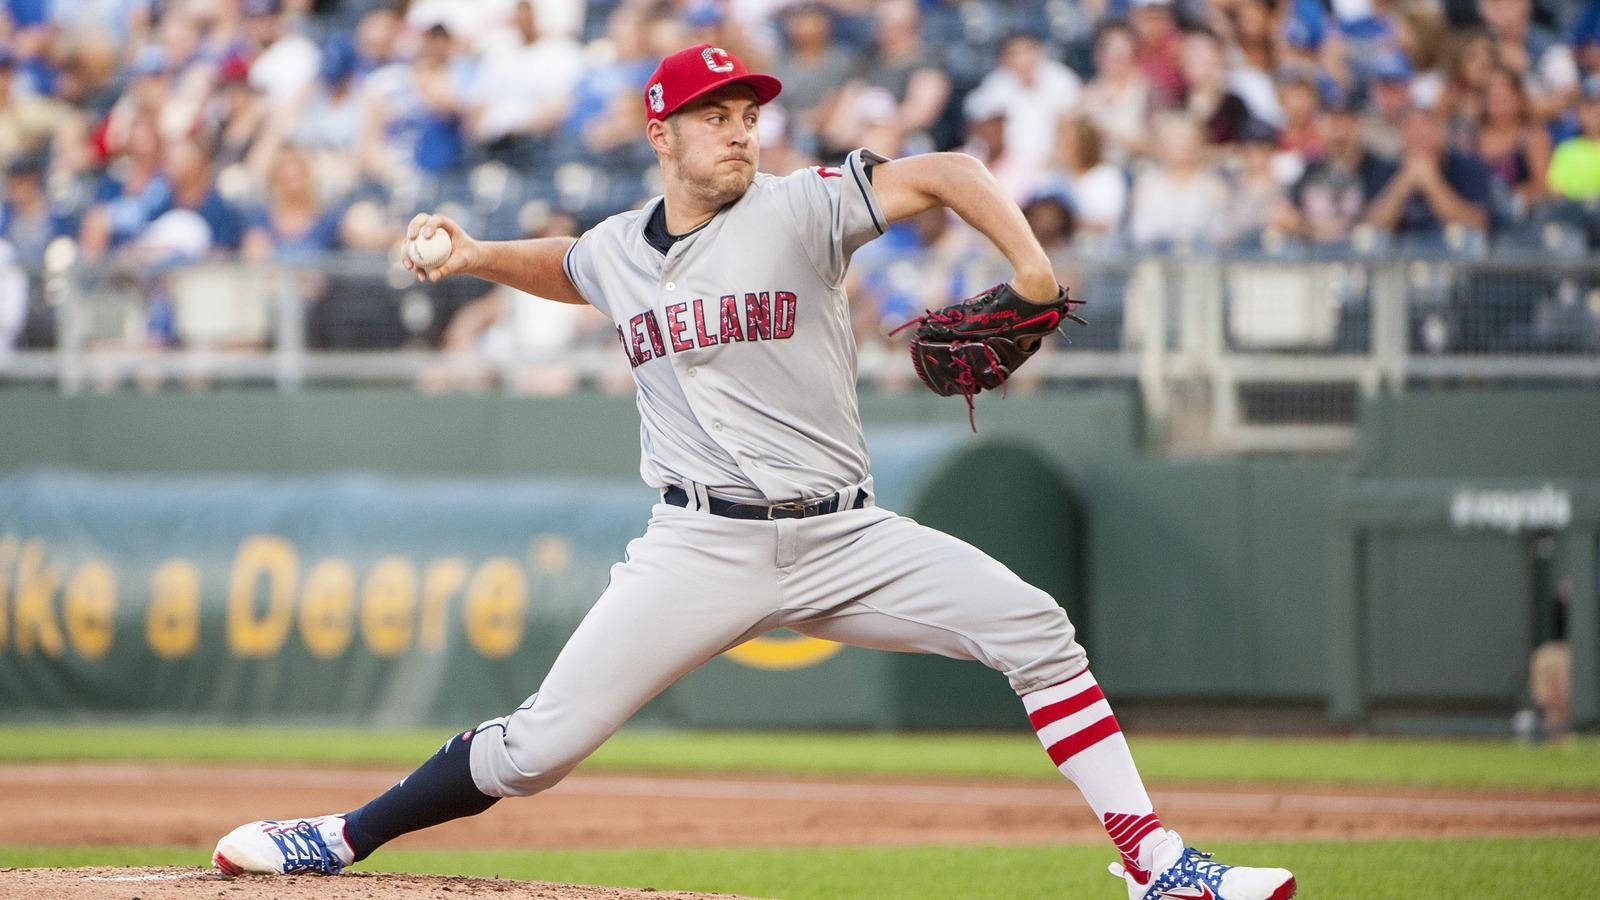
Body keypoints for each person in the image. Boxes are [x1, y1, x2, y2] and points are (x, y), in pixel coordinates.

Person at [210, 44, 1297, 900]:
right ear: (661, 133)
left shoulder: (800, 205)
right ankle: (342, 836)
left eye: (747, 116)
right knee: (537, 751)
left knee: (1035, 629)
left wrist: (1030, 270)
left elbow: (954, 173)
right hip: (700, 545)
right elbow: (576, 265)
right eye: (714, 119)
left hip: (846, 536)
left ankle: (1158, 865)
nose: (738, 134)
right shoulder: (620, 248)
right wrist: (477, 255)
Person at [1364, 103, 1491, 238]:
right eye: (1413, 137)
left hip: (1455, 253)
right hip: (1401, 253)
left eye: (1424, 135)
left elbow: (1477, 225)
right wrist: (1403, 183)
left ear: (1439, 133)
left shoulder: (1467, 165)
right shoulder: (1388, 166)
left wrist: (1431, 182)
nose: (1420, 143)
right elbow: (1372, 227)